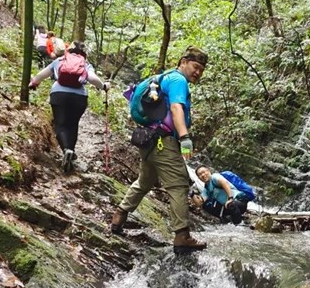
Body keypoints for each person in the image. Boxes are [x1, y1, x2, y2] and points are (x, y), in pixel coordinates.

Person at [110, 46, 208, 254]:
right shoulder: (178, 81)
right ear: (183, 62)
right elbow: (176, 108)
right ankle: (182, 236)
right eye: (195, 66)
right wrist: (184, 138)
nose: (198, 72)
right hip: (164, 142)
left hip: (148, 141)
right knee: (179, 185)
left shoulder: (163, 78)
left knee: (144, 181)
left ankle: (119, 216)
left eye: (202, 69)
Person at [28, 41, 108, 173]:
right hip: (79, 97)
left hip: (59, 95)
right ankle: (71, 150)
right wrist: (104, 86)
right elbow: (93, 79)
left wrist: (34, 83)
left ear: (68, 51)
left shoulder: (59, 60)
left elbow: (41, 75)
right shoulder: (85, 64)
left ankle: (66, 149)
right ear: (84, 53)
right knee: (73, 124)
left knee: (60, 124)